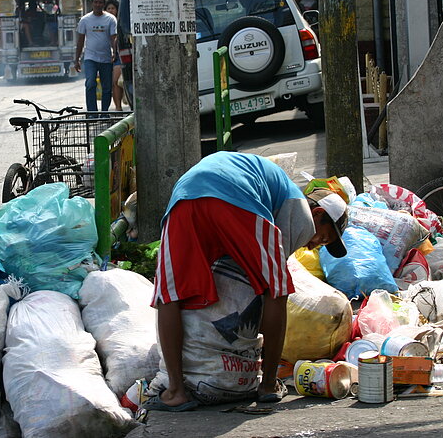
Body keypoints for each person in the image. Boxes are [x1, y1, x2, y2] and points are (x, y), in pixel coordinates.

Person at [144, 151, 348, 411]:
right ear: (317, 214)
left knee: (169, 293)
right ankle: (269, 385)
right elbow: (270, 288)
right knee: (276, 290)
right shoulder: (301, 214)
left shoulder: (274, 185)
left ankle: (175, 391)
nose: (313, 244)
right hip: (237, 197)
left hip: (185, 196)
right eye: (323, 238)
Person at [74, 0, 117, 112]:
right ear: (92, 4)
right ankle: (92, 112)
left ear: (104, 4)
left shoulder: (110, 19)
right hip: (90, 58)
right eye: (96, 2)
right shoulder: (85, 20)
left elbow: (113, 37)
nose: (98, 5)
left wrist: (115, 52)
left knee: (107, 87)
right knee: (90, 83)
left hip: (106, 58)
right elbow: (80, 40)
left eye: (100, 3)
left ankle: (104, 112)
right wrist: (77, 59)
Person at [104, 0, 125, 111]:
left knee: (118, 81)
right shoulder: (103, 22)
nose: (111, 10)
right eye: (109, 8)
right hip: (108, 56)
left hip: (120, 54)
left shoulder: (121, 22)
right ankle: (118, 107)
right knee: (114, 83)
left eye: (113, 8)